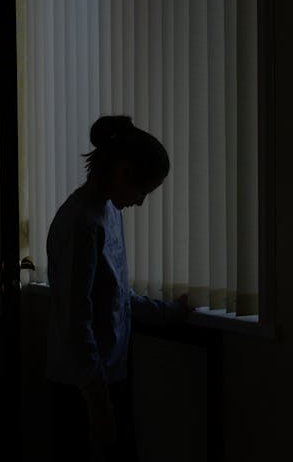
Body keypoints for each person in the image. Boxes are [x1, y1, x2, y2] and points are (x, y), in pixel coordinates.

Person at [44, 115, 193, 461]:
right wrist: (97, 400)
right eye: (143, 191)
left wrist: (170, 312)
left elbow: (115, 298)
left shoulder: (109, 212)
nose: (141, 202)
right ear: (123, 172)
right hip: (80, 386)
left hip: (108, 376)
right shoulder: (81, 224)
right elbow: (75, 320)